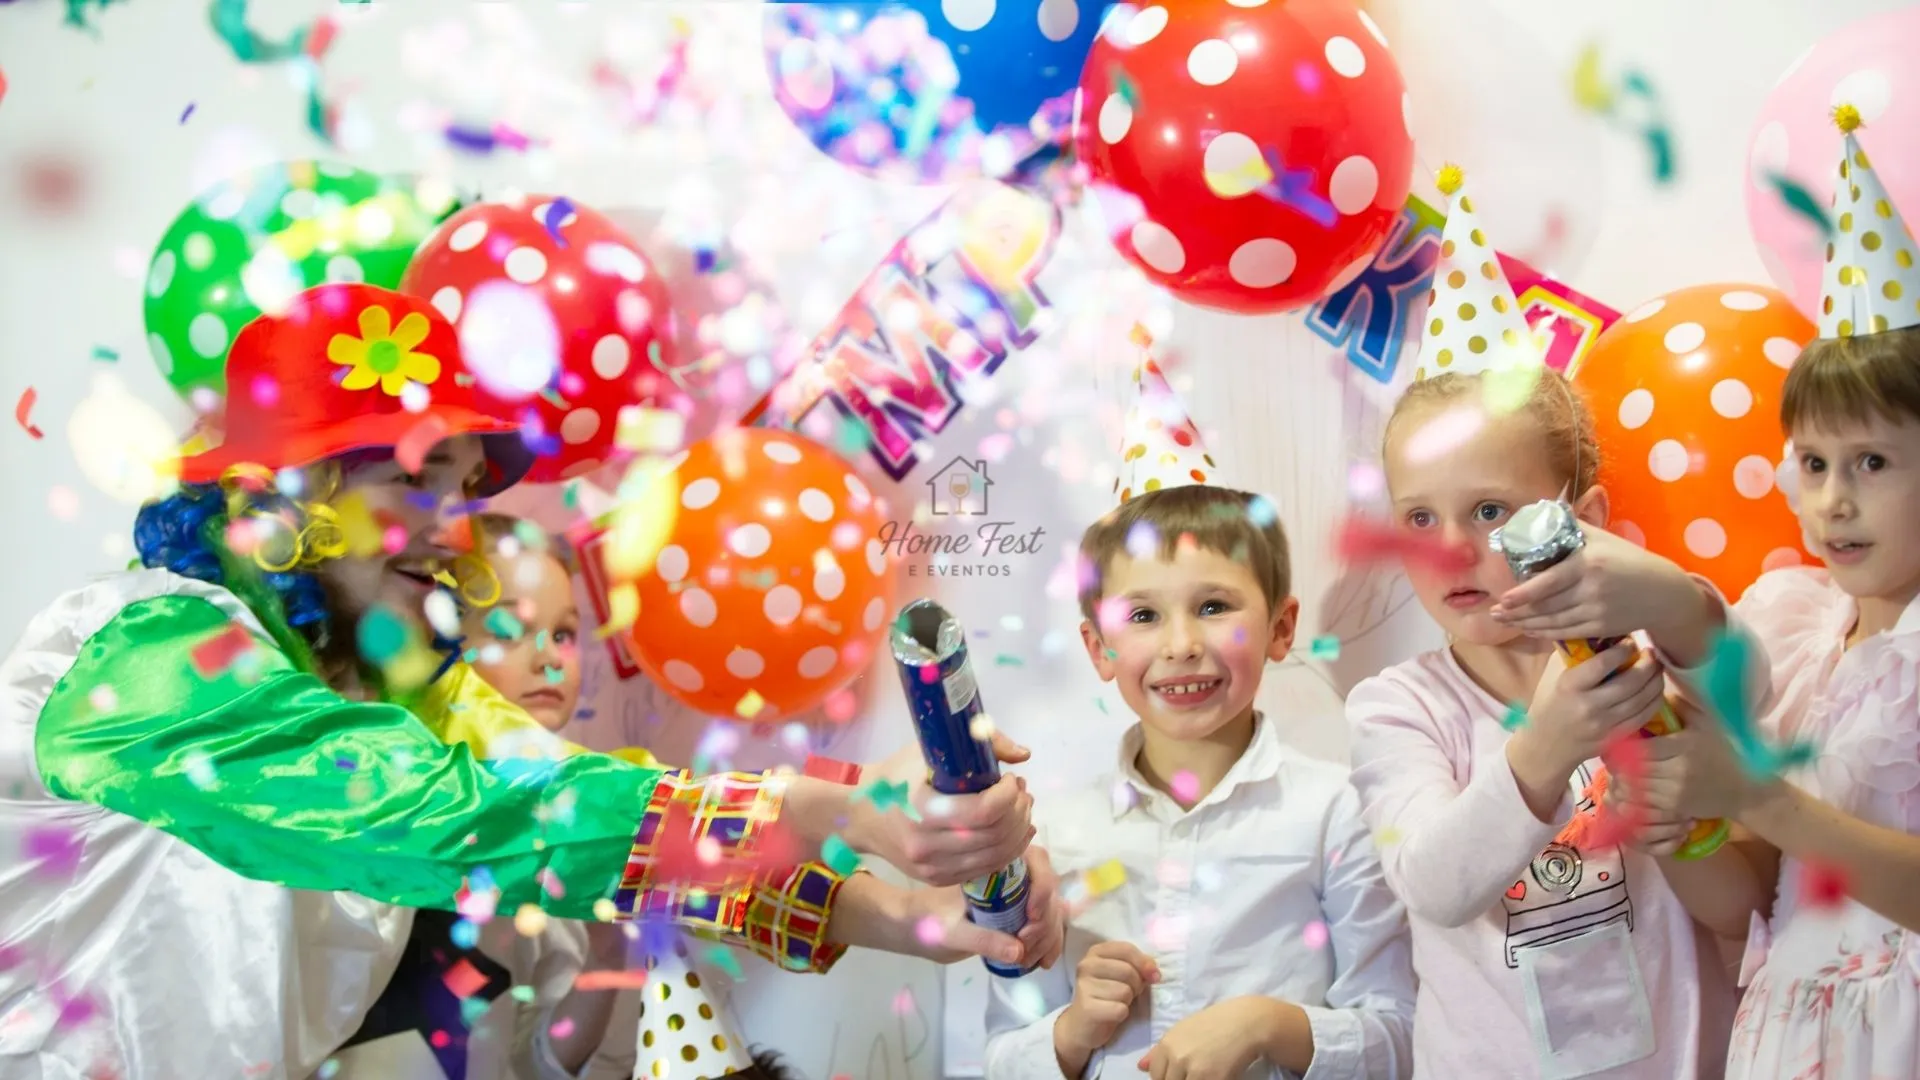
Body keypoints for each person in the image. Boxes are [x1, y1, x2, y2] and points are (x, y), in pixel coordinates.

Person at [0, 283, 1056, 1080]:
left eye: (459, 491)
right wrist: (816, 805)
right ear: (281, 496)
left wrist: (916, 910)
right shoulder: (145, 650)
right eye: (413, 481)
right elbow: (451, 817)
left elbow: (588, 808)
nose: (452, 529)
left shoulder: (399, 687)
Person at [1342, 168, 1765, 1079]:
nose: (1452, 549)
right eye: (1419, 519)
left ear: (1591, 520)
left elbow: (1749, 697)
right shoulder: (1397, 707)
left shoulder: (1646, 663)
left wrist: (1672, 624)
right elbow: (1434, 884)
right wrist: (1545, 745)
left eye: (1490, 511)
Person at [985, 344, 1415, 1080]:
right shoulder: (1052, 836)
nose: (1182, 645)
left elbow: (1399, 1038)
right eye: (1144, 615)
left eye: (1213, 607)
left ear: (1281, 628)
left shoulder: (1334, 812)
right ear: (1098, 648)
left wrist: (1268, 1026)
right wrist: (1070, 1031)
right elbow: (995, 1058)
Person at [1619, 107, 1920, 1078]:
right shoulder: (1797, 634)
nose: (1833, 500)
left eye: (1872, 461)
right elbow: (1750, 899)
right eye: (1815, 463)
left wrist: (1766, 799)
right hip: (1797, 1036)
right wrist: (1679, 819)